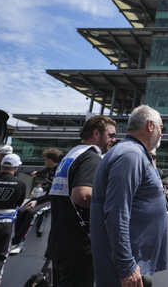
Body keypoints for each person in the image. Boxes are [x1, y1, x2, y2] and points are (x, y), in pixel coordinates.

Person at [91, 105, 168, 286]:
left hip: (133, 265)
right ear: (150, 126)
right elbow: (116, 213)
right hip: (123, 270)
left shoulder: (137, 153)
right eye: (161, 128)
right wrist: (126, 266)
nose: (162, 134)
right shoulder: (130, 155)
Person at [48, 115, 117, 287]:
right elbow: (82, 195)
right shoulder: (91, 157)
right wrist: (116, 198)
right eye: (111, 135)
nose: (114, 140)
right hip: (79, 244)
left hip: (60, 241)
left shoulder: (71, 155)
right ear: (96, 134)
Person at [9, 148, 62, 255]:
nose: (43, 160)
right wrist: (37, 173)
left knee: (32, 213)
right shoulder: (49, 169)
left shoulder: (59, 171)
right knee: (21, 211)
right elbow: (44, 171)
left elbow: (53, 192)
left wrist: (36, 201)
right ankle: (15, 241)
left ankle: (20, 243)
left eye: (44, 159)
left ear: (50, 160)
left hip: (53, 198)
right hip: (44, 197)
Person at [0, 154, 26, 286]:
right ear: (16, 167)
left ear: (1, 165)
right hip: (5, 225)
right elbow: (19, 203)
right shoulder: (21, 184)